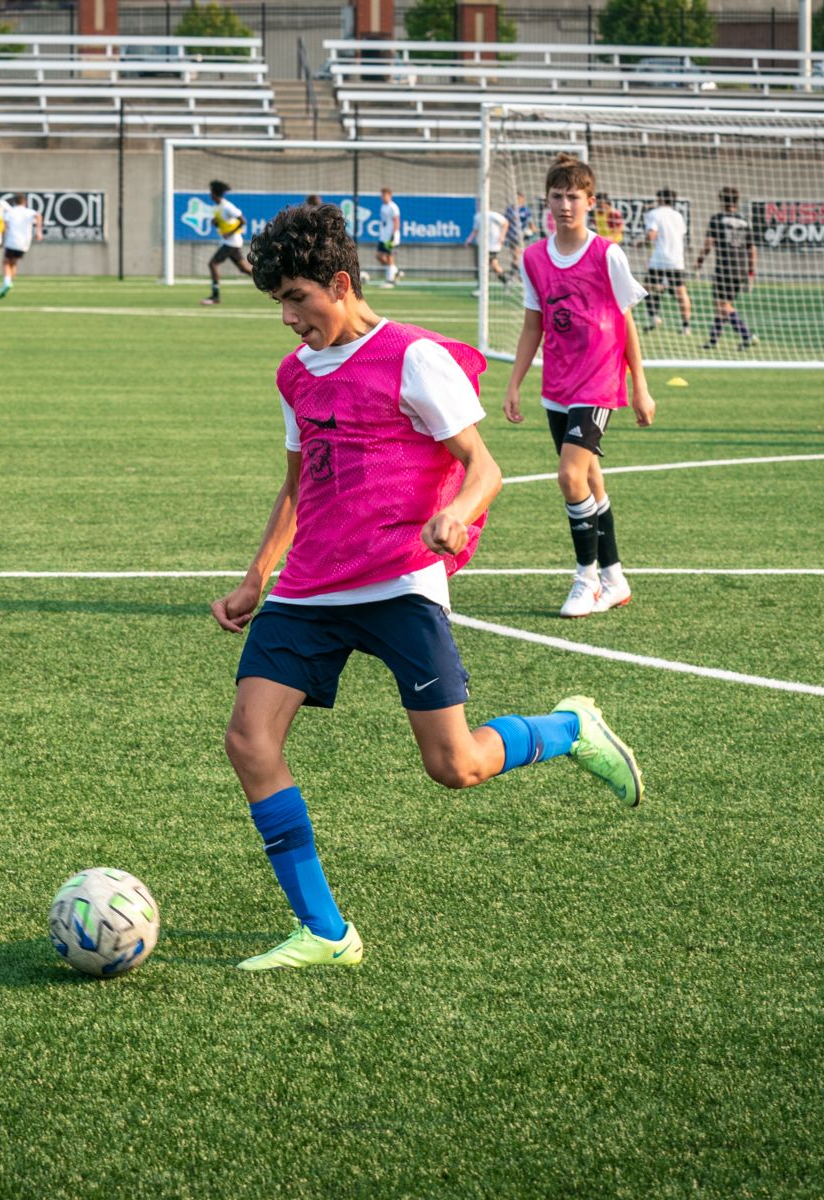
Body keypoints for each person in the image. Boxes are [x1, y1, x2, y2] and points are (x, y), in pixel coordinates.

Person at [210, 201, 644, 971]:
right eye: (277, 302)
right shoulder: (293, 374)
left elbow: (486, 468)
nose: (286, 318)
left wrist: (457, 511)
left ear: (340, 283)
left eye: (295, 299)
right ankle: (326, 932)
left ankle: (570, 729)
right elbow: (297, 483)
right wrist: (257, 576)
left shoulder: (413, 358)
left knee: (456, 766)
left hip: (399, 581)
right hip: (310, 587)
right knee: (249, 741)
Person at [506, 154, 656, 620]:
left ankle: (585, 579)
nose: (565, 205)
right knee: (589, 479)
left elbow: (627, 322)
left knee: (570, 477)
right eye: (557, 196)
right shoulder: (534, 257)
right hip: (557, 384)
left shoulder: (607, 254)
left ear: (590, 202)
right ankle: (614, 578)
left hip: (599, 381)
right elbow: (534, 325)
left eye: (574, 197)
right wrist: (514, 383)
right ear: (547, 201)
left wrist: (640, 387)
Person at [692, 186, 757, 351]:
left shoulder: (717, 219)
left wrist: (699, 261)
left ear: (722, 201)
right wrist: (751, 271)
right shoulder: (744, 221)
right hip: (741, 268)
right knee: (721, 305)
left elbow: (709, 243)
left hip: (725, 267)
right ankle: (713, 340)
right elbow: (752, 248)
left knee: (723, 306)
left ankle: (746, 335)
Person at [641, 187, 690, 334]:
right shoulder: (678, 216)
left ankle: (654, 316)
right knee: (681, 293)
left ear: (660, 199)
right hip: (677, 260)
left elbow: (652, 235)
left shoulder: (654, 214)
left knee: (647, 288)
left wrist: (641, 242)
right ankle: (686, 326)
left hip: (659, 259)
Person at [200, 179, 253, 306]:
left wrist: (230, 233)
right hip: (230, 242)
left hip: (231, 242)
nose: (209, 194)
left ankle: (215, 296)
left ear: (214, 193)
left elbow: (243, 221)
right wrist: (216, 222)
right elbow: (222, 222)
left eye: (210, 192)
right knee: (244, 269)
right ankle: (271, 282)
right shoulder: (217, 207)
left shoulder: (227, 206)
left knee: (213, 264)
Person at [0, 192, 44, 299]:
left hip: (12, 241)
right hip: (25, 243)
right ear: (25, 202)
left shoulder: (10, 212)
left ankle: (6, 283)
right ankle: (8, 284)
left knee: (6, 262)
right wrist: (39, 231)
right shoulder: (28, 212)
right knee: (14, 263)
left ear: (14, 202)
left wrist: (2, 240)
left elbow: (4, 227)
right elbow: (39, 216)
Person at [465, 205, 511, 296]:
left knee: (489, 265)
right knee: (491, 265)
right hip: (482, 245)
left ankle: (482, 288)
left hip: (493, 245)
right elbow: (475, 230)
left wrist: (502, 236)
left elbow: (505, 223)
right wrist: (469, 239)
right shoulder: (477, 216)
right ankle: (505, 281)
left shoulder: (493, 215)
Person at [376, 186, 403, 287]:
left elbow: (396, 221)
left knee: (390, 257)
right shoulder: (383, 206)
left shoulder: (393, 207)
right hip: (383, 236)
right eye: (382, 195)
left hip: (391, 236)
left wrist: (395, 234)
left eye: (385, 195)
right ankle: (396, 271)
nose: (383, 197)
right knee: (379, 256)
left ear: (390, 195)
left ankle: (390, 281)